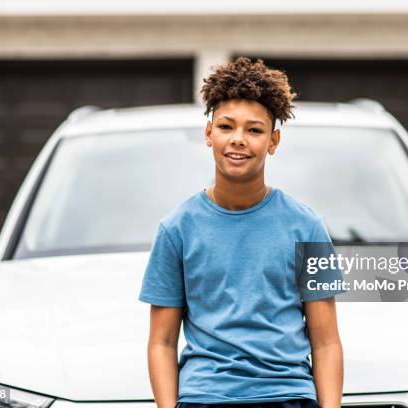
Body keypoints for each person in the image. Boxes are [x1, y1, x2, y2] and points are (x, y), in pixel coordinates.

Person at [138, 56, 344, 408]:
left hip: (287, 396)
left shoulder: (306, 226)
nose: (238, 140)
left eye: (254, 129)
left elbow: (326, 342)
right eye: (226, 127)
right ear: (208, 134)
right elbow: (162, 341)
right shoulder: (177, 229)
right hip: (205, 398)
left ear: (274, 141)